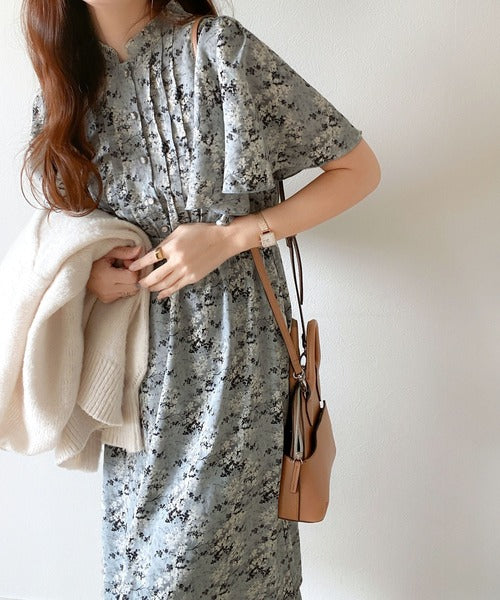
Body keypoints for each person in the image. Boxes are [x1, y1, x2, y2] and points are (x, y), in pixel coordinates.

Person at [21, 0, 381, 598]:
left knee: (203, 575)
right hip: (133, 377)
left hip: (234, 361)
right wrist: (89, 275)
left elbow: (358, 170)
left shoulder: (217, 50)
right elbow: (64, 235)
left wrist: (234, 237)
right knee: (139, 574)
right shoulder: (64, 90)